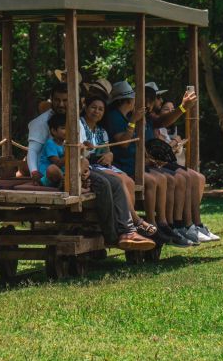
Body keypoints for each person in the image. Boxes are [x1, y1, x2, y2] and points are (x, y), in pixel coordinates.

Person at [27, 82, 153, 251]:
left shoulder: (75, 121)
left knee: (115, 182)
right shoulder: (40, 123)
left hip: (78, 168)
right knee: (103, 184)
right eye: (57, 100)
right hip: (56, 170)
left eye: (65, 100)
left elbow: (83, 153)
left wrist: (86, 166)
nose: (61, 104)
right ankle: (113, 236)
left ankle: (127, 231)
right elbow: (33, 151)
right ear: (52, 100)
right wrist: (34, 172)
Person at [105, 81, 192, 248]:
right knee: (153, 181)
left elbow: (142, 142)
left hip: (136, 161)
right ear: (127, 101)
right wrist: (134, 121)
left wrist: (149, 157)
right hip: (124, 164)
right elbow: (123, 143)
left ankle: (166, 223)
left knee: (168, 179)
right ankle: (153, 224)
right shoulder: (116, 117)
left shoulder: (129, 115)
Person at [145, 82, 219, 242]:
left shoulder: (149, 118)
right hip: (148, 165)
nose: (159, 101)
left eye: (157, 98)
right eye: (156, 98)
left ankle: (193, 224)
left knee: (197, 177)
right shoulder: (139, 118)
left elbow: (162, 123)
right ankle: (176, 225)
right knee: (181, 179)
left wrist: (184, 107)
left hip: (157, 162)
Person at [81, 94, 157, 238]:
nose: (96, 111)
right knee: (120, 181)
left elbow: (108, 151)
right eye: (93, 108)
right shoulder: (79, 125)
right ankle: (136, 222)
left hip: (102, 164)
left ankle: (131, 224)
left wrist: (110, 156)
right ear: (85, 107)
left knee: (128, 181)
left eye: (100, 109)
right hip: (89, 164)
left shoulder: (101, 131)